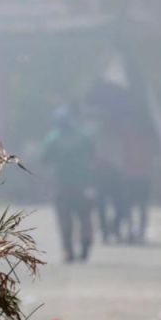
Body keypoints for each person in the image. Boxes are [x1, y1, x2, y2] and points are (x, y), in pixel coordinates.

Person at [41, 105, 95, 263]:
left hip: (62, 186)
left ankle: (68, 250)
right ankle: (85, 244)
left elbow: (44, 159)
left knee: (65, 219)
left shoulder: (53, 138)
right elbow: (93, 155)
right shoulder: (83, 136)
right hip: (83, 186)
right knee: (85, 217)